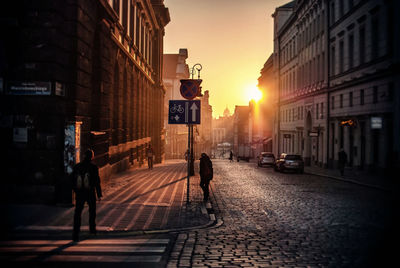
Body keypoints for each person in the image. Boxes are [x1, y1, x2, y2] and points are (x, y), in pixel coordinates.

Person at [71, 149, 102, 242]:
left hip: (80, 193)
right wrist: (99, 194)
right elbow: (97, 181)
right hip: (90, 192)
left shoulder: (77, 167)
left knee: (78, 213)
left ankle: (76, 232)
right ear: (92, 157)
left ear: (84, 156)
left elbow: (72, 180)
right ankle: (92, 229)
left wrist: (75, 190)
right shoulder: (93, 167)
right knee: (92, 211)